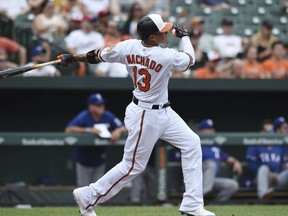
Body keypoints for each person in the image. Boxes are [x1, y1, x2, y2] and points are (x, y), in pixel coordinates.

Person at [57, 13, 215, 216]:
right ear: (152, 37)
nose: (167, 32)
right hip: (145, 114)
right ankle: (89, 195)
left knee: (192, 143)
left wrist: (73, 58)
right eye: (162, 31)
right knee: (132, 166)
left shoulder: (128, 46)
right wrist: (185, 37)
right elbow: (190, 59)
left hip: (163, 111)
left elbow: (96, 55)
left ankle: (192, 205)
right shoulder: (165, 56)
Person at [65, 93, 127, 187]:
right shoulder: (84, 116)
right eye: (98, 105)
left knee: (98, 189)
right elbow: (69, 130)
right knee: (83, 188)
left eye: (102, 104)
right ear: (91, 107)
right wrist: (89, 130)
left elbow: (125, 127)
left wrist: (118, 131)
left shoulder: (107, 115)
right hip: (84, 159)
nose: (101, 107)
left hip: (100, 158)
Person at [198, 119, 242, 204]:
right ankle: (202, 196)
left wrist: (236, 162)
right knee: (211, 164)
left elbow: (226, 157)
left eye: (212, 129)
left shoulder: (216, 146)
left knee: (233, 185)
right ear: (201, 131)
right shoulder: (196, 143)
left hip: (211, 180)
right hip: (198, 179)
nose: (212, 131)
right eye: (208, 129)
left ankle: (213, 205)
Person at [246, 116, 288, 204]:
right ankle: (263, 196)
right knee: (264, 168)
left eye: (270, 130)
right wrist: (269, 173)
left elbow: (283, 164)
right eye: (266, 131)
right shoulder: (255, 144)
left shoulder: (279, 146)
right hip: (261, 178)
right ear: (261, 132)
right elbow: (251, 165)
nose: (269, 133)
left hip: (277, 178)